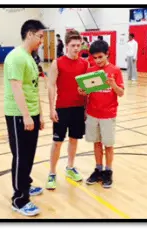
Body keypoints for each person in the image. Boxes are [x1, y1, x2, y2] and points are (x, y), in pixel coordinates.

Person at [4, 19, 46, 216]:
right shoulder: (16, 57)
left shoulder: (30, 57)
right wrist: (26, 116)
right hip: (19, 115)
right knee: (21, 156)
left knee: (29, 154)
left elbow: (34, 88)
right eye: (40, 36)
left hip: (32, 113)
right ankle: (19, 199)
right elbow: (16, 87)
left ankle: (26, 184)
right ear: (29, 34)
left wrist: (40, 114)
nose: (41, 41)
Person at [78, 40, 124, 188]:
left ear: (107, 54)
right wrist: (82, 91)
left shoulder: (115, 71)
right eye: (95, 58)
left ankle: (108, 171)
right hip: (92, 113)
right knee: (96, 143)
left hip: (108, 114)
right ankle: (98, 169)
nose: (97, 60)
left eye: (100, 57)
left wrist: (113, 85)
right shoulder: (90, 71)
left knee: (108, 145)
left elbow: (121, 93)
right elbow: (86, 92)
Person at [46, 30, 88, 190]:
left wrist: (86, 107)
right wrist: (51, 108)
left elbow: (86, 87)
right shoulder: (58, 63)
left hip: (78, 108)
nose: (77, 48)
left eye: (79, 45)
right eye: (73, 45)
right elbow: (50, 85)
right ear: (67, 46)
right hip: (62, 108)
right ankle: (51, 173)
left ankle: (70, 167)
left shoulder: (85, 64)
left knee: (74, 139)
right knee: (57, 142)